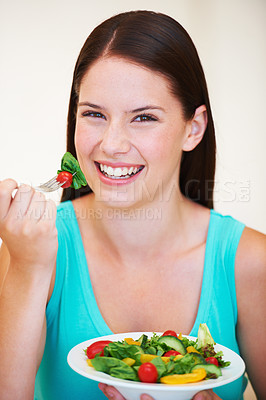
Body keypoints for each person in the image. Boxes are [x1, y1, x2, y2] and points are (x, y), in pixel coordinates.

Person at [0, 10, 265, 400]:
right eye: (94, 114)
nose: (111, 144)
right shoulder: (32, 252)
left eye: (143, 117)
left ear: (194, 128)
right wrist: (26, 267)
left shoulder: (250, 263)